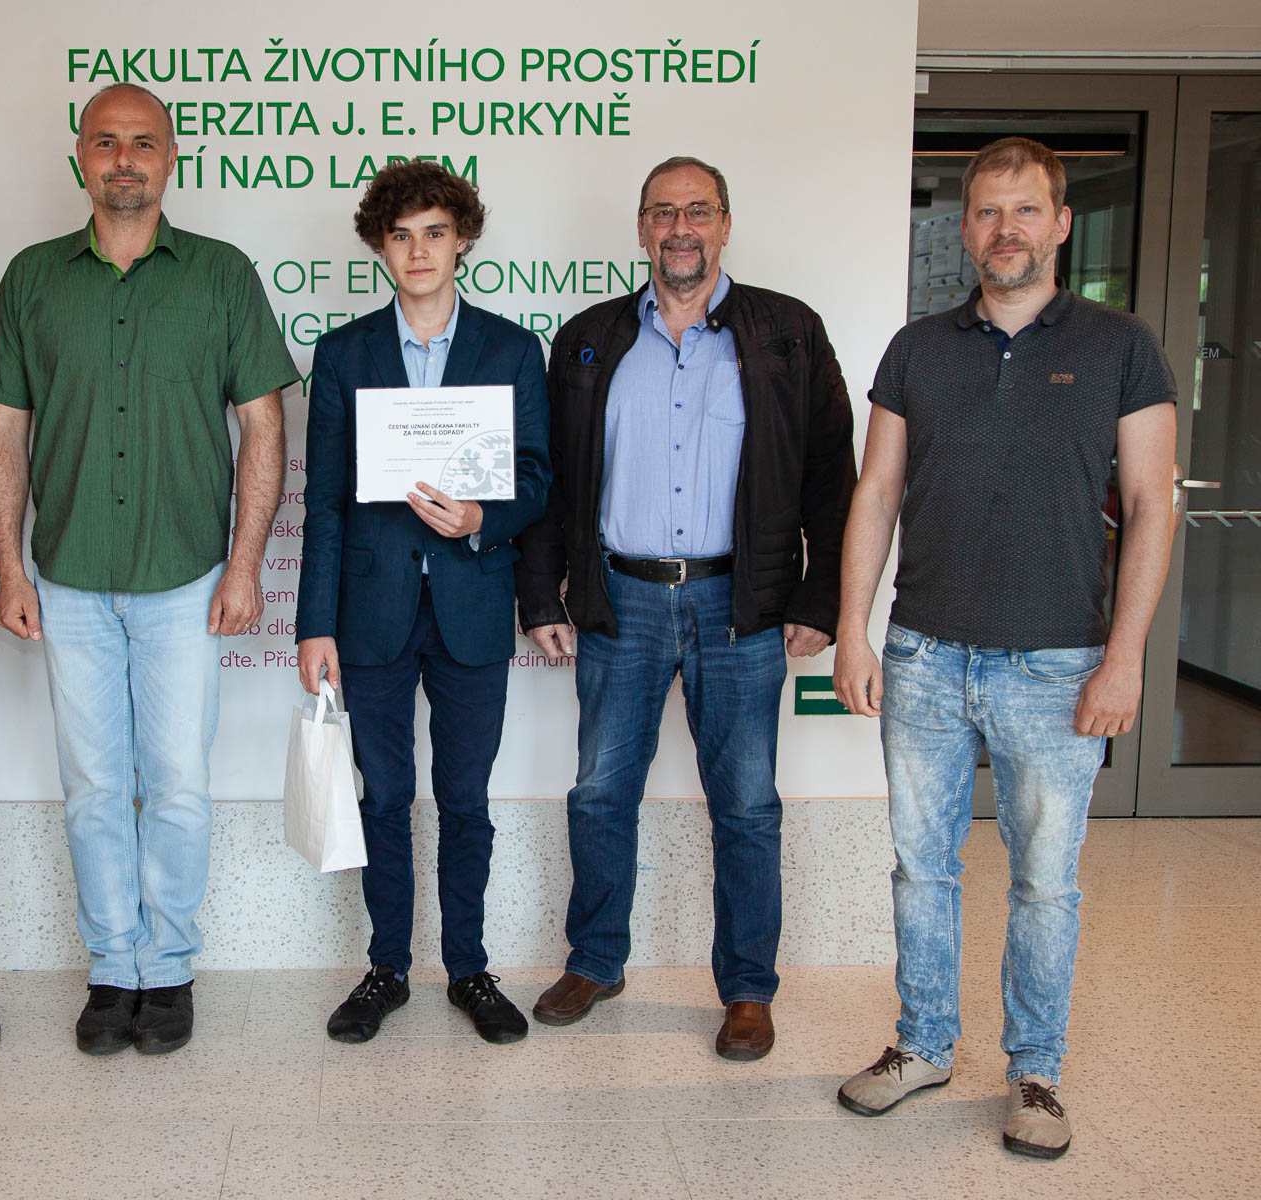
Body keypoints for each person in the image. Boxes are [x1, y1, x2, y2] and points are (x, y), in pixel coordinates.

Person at [832, 137, 1176, 1159]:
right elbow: (876, 493)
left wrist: (1125, 657)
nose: (1005, 229)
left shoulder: (1123, 347)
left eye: (1026, 209)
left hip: (1057, 663)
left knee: (1045, 881)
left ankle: (1036, 1072)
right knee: (921, 868)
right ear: (966, 227)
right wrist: (854, 630)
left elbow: (1152, 506)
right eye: (987, 211)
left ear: (1061, 223)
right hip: (926, 653)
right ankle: (923, 1045)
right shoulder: (917, 348)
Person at [0, 83, 298, 1056]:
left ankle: (172, 967)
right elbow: (1, 428)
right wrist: (10, 568)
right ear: (80, 158)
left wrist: (245, 565)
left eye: (143, 142)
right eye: (106, 142)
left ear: (171, 158)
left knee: (180, 785)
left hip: (187, 577)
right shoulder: (33, 278)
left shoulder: (222, 275)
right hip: (67, 578)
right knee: (93, 787)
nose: (125, 159)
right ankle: (113, 967)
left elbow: (263, 425)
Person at [514, 156, 856, 1059]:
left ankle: (747, 989)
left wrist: (821, 596)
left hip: (741, 602)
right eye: (663, 212)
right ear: (641, 229)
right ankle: (595, 961)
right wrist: (539, 591)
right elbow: (550, 481)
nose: (680, 228)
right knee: (599, 794)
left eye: (697, 210)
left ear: (725, 224)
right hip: (619, 596)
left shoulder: (787, 333)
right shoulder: (589, 339)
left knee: (746, 806)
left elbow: (833, 476)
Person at [295, 162, 551, 1045]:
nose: (418, 251)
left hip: (472, 605)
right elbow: (324, 501)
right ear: (380, 245)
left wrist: (484, 517)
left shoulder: (512, 350)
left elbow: (536, 478)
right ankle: (387, 969)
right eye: (400, 235)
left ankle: (469, 968)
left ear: (463, 240)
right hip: (371, 613)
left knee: (466, 801)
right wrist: (314, 625)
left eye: (435, 232)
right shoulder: (344, 353)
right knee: (384, 799)